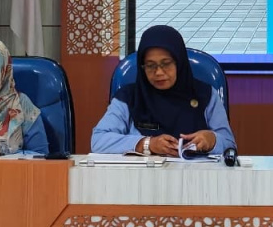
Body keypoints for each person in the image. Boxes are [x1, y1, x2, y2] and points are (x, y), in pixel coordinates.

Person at [92, 25, 235, 156]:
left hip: (196, 174)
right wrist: (146, 144)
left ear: (179, 62)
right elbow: (98, 140)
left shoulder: (206, 95)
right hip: (140, 174)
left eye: (166, 64)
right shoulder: (128, 97)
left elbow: (229, 145)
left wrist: (212, 140)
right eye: (150, 65)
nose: (159, 72)